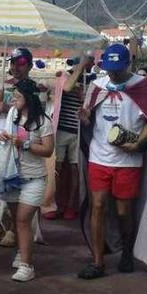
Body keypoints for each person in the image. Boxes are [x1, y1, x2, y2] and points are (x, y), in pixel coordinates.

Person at [77, 44, 147, 280]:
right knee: (98, 205)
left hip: (127, 159)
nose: (113, 74)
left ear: (128, 65)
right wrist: (84, 118)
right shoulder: (98, 86)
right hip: (99, 155)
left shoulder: (141, 86)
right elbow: (88, 115)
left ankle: (126, 251)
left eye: (118, 69)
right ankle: (97, 261)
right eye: (110, 69)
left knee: (124, 211)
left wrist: (138, 143)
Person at [0, 78, 54, 282]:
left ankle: (27, 266)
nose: (13, 99)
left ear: (29, 98)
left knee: (22, 220)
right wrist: (4, 136)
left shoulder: (43, 121)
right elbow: (6, 135)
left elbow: (48, 150)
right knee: (17, 221)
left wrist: (26, 144)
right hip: (13, 175)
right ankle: (23, 251)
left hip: (34, 178)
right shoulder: (13, 114)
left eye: (18, 96)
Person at [0, 48, 36, 247]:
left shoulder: (34, 88)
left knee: (15, 188)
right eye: (13, 63)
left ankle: (15, 228)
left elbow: (35, 115)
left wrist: (8, 108)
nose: (16, 67)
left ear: (30, 66)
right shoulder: (1, 86)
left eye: (21, 63)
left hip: (21, 141)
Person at [46, 53, 96, 220]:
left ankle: (71, 204)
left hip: (78, 131)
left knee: (75, 170)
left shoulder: (90, 82)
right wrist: (80, 66)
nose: (91, 65)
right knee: (57, 169)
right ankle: (54, 202)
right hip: (61, 130)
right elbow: (67, 87)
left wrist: (85, 96)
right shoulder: (65, 76)